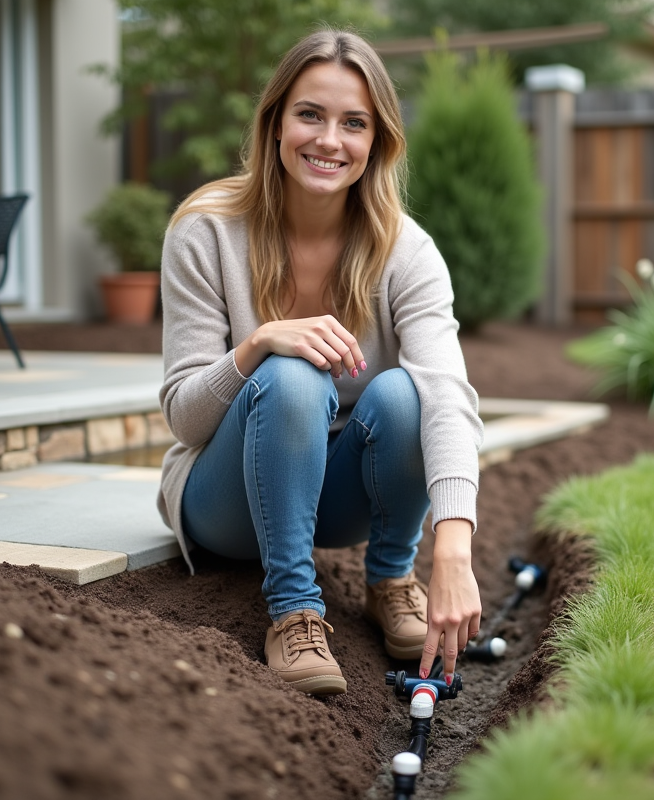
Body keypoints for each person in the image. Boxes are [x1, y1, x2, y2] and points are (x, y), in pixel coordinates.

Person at [155, 28, 484, 696]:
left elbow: (449, 396)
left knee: (409, 396)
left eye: (353, 123)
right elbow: (186, 421)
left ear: (377, 142)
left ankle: (392, 580)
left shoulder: (406, 251)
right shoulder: (206, 230)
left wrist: (452, 547)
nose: (329, 140)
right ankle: (294, 610)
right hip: (223, 505)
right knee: (292, 372)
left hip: (334, 500)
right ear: (275, 121)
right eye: (310, 114)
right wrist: (257, 345)